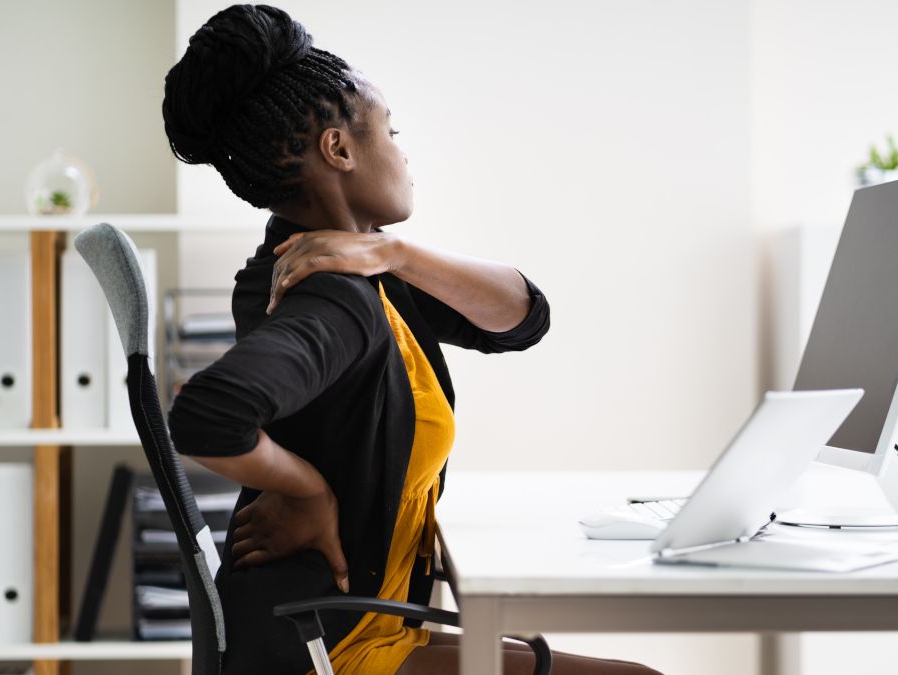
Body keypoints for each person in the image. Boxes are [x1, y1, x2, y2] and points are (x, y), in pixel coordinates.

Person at [161, 5, 661, 675]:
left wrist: (393, 253)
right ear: (339, 149)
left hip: (360, 622)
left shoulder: (356, 270)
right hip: (329, 647)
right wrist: (307, 489)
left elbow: (521, 318)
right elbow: (207, 412)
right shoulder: (332, 294)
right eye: (390, 131)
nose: (401, 150)